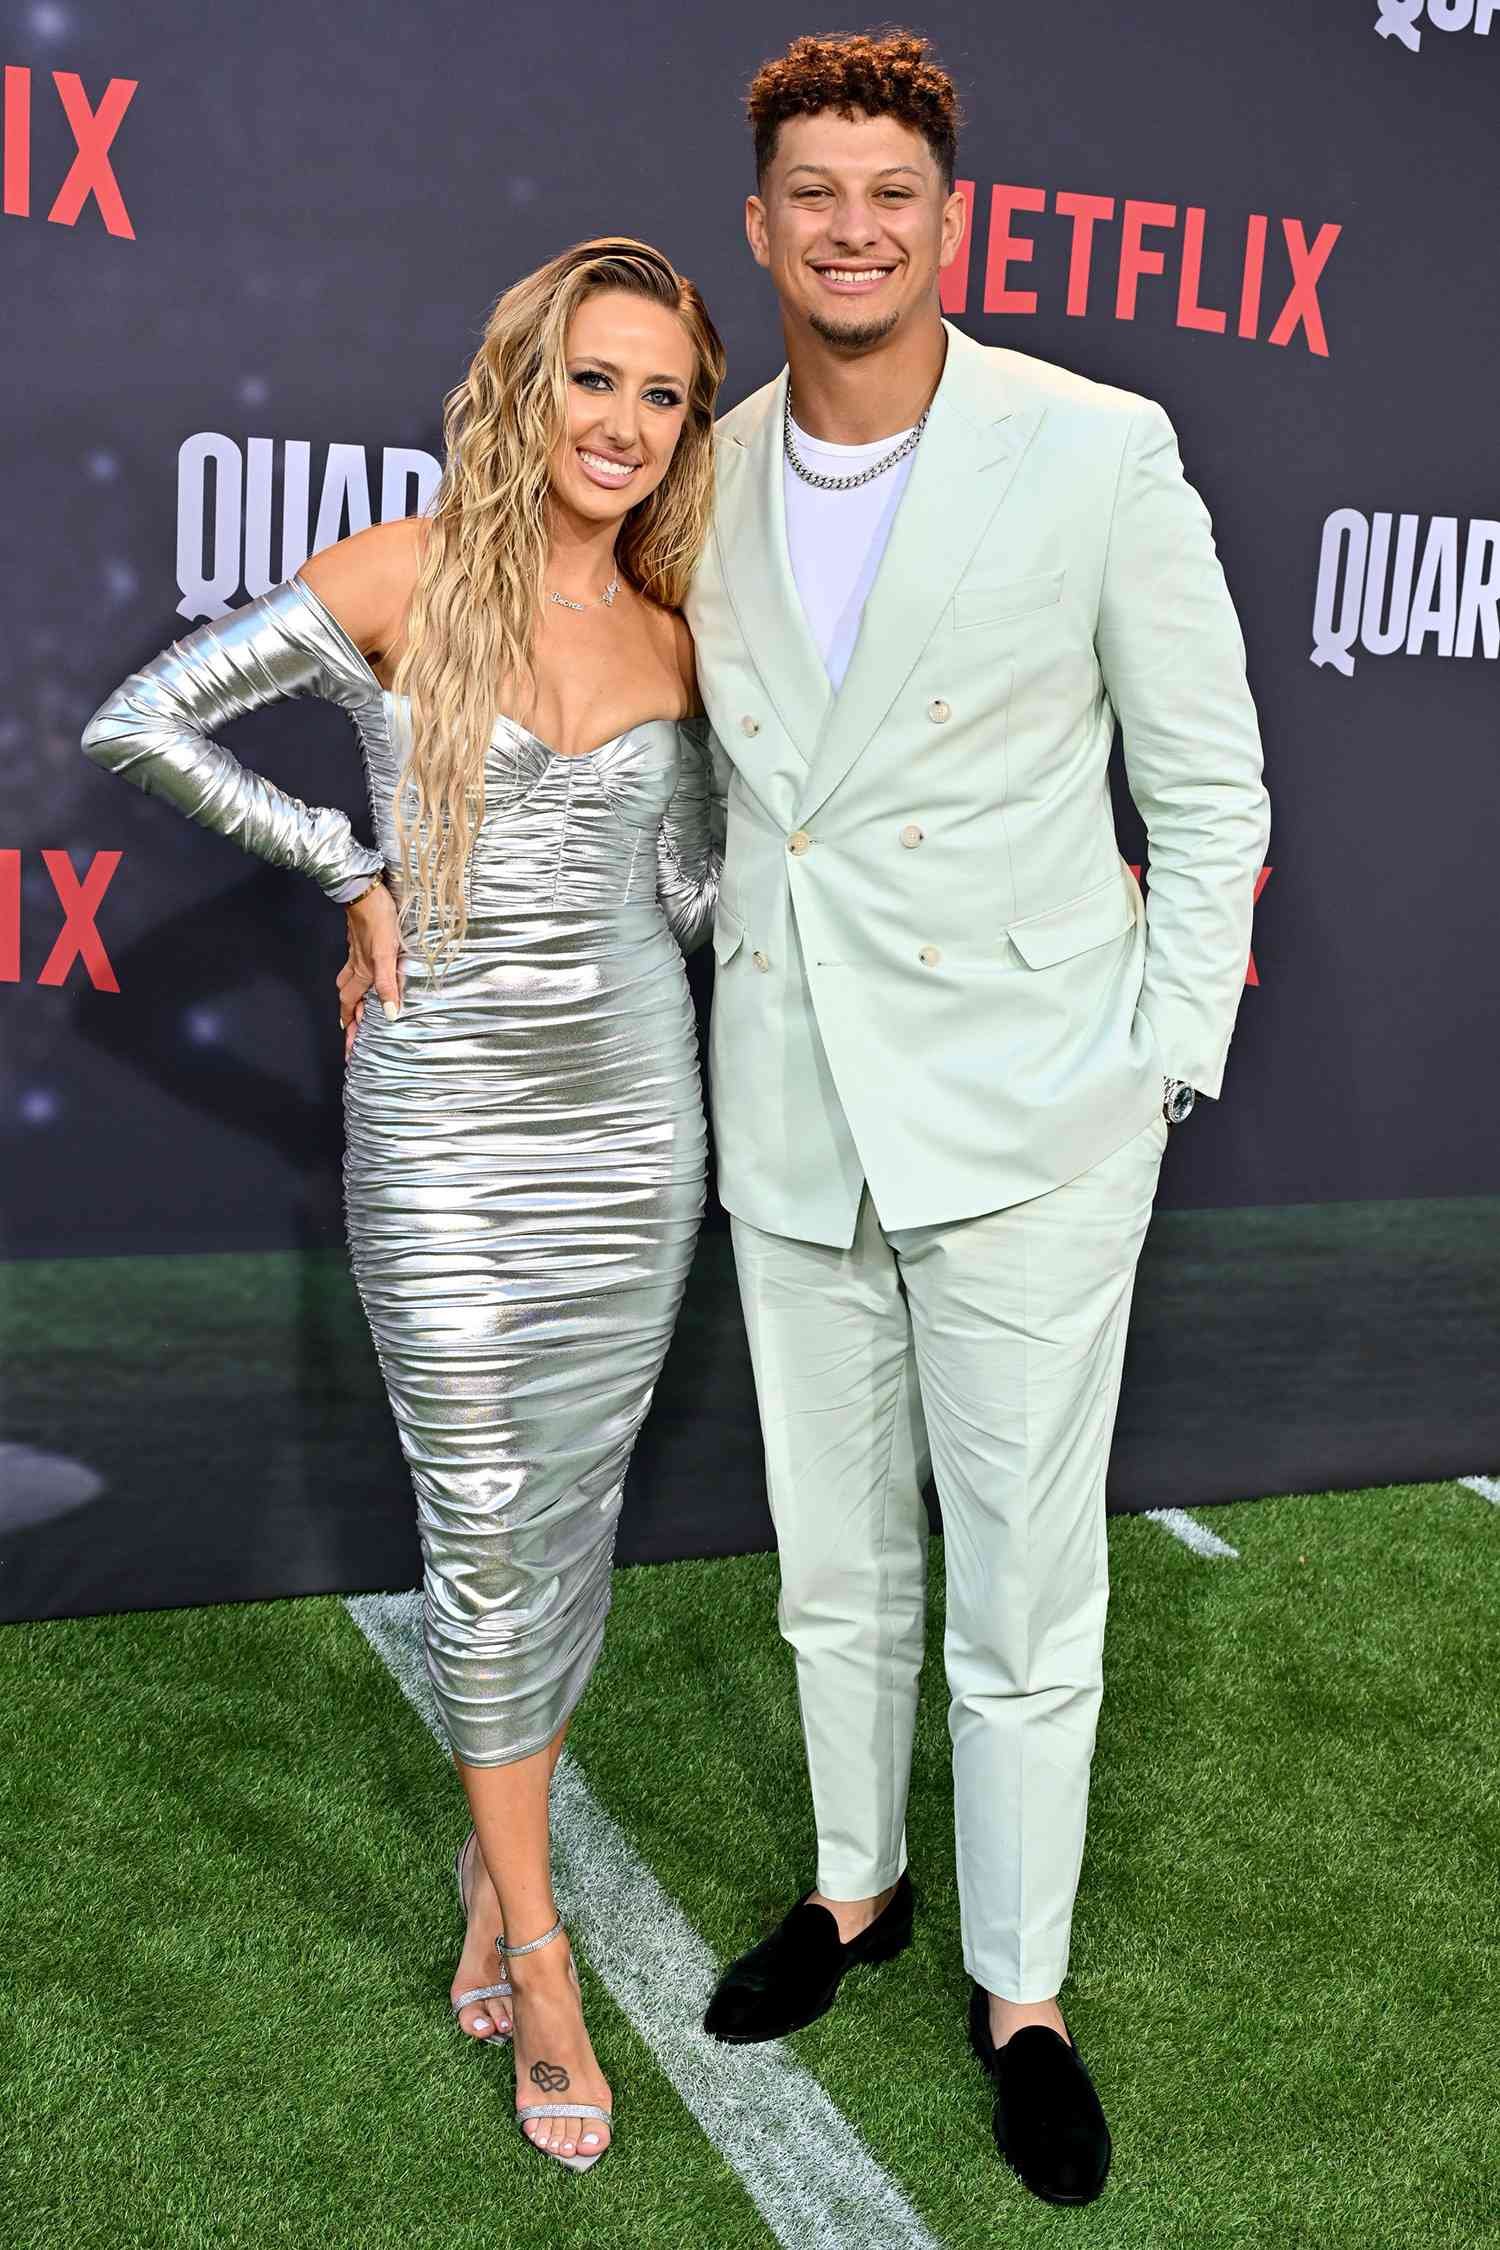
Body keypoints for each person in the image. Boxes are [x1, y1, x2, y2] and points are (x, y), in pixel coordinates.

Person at [683, 30, 1271, 2207]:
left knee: (1024, 1594)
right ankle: (856, 1888)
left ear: (954, 218)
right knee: (834, 1563)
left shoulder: (1094, 445)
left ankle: (1021, 1991)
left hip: (1033, 1114)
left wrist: (1159, 1065)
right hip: (794, 1105)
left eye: (891, 193)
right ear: (760, 225)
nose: (853, 227)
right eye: (814, 193)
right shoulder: (701, 472)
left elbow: (1209, 785)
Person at [82, 238, 727, 2174]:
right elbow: (140, 720)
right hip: (441, 1119)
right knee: (483, 1521)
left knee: (571, 1521)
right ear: (527, 386)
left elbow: (701, 901)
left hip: (636, 1129)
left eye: (664, 395)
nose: (623, 423)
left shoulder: (686, 635)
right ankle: (538, 1945)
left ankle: (490, 1866)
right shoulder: (400, 573)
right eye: (594, 379)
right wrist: (347, 867)